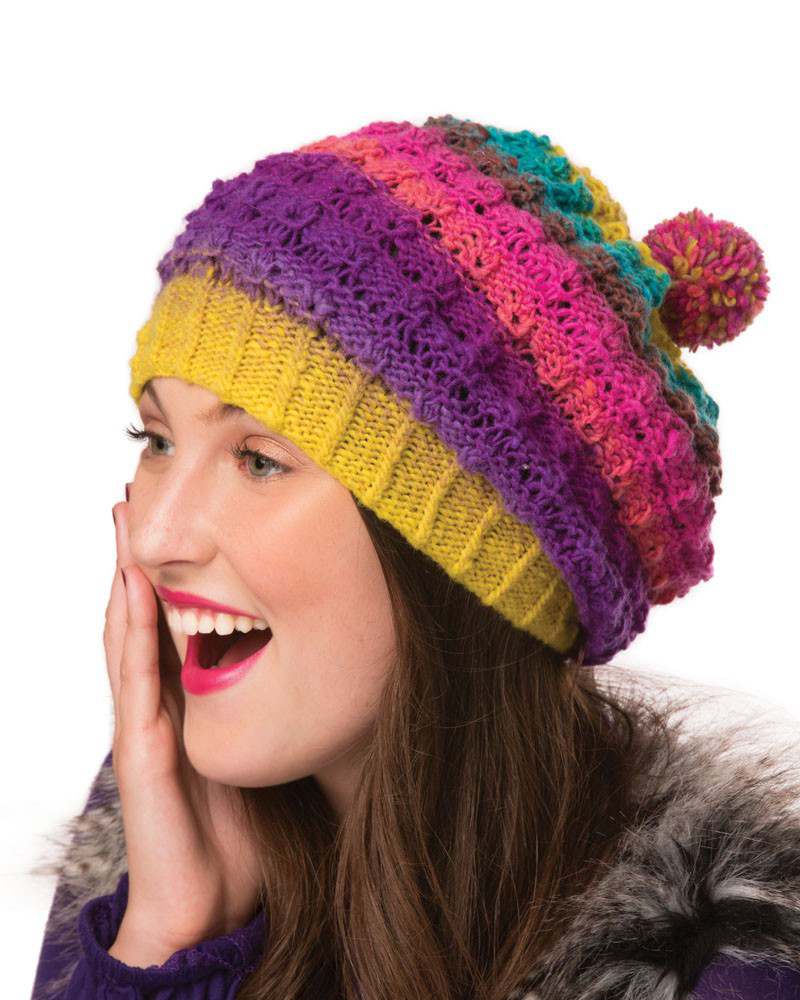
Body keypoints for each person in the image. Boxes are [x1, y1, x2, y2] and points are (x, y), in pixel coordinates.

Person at [29, 114, 800, 999]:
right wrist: (164, 947)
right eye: (157, 440)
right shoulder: (155, 841)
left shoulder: (723, 973)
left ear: (463, 565)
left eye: (259, 460)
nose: (155, 536)